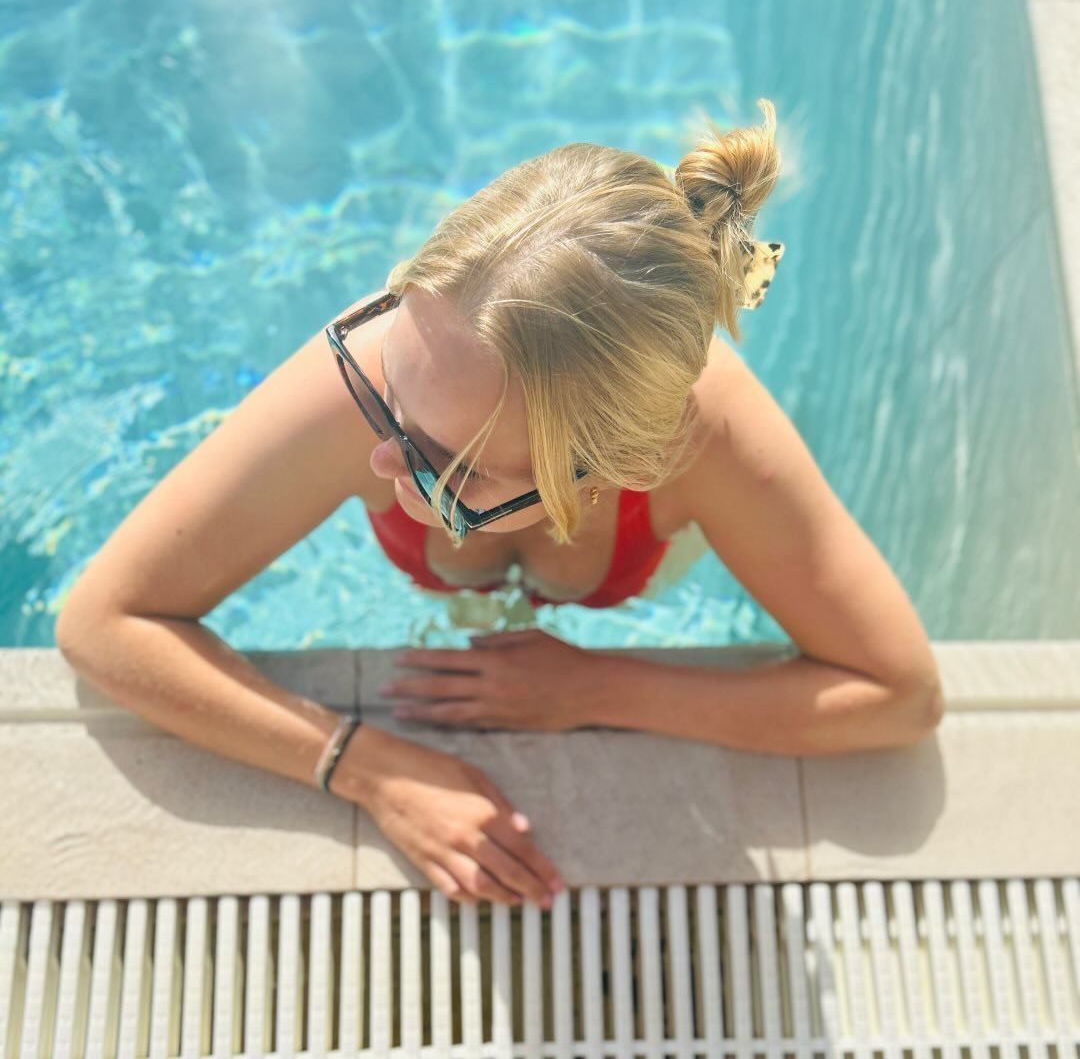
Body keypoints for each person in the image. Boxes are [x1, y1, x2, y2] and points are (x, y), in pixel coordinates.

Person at [55, 99, 942, 912]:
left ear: (619, 468)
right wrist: (368, 768)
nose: (376, 455)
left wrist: (603, 687)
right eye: (389, 396)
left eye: (453, 468)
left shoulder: (709, 441)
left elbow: (898, 695)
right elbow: (104, 622)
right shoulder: (370, 375)